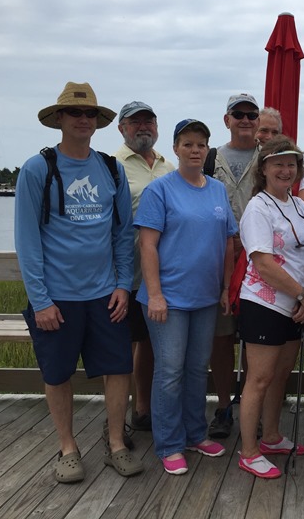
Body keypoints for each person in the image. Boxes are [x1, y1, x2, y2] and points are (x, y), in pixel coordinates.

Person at [16, 81, 143, 482]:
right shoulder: (38, 169)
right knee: (57, 374)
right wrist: (40, 301)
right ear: (59, 119)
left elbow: (123, 234)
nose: (84, 119)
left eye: (90, 114)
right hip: (57, 297)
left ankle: (116, 443)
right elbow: (27, 240)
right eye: (75, 113)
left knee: (118, 368)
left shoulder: (110, 169)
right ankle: (68, 447)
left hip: (106, 294)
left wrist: (124, 285)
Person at [135, 119, 237, 475]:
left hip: (206, 298)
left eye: (201, 144)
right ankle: (169, 443)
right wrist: (155, 295)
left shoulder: (217, 191)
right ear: (176, 148)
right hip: (168, 300)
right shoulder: (159, 190)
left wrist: (225, 288)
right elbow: (147, 245)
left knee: (196, 370)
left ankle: (195, 433)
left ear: (208, 150)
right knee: (169, 373)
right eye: (188, 144)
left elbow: (228, 242)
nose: (195, 150)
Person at [236, 136, 304, 479]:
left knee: (280, 376)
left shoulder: (299, 204)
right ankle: (249, 451)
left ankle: (271, 436)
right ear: (264, 169)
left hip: (296, 303)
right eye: (278, 164)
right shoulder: (258, 207)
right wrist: (303, 295)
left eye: (291, 164)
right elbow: (264, 263)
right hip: (264, 303)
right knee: (259, 379)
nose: (286, 170)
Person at [114, 101, 175, 432]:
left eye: (148, 121)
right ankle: (118, 419)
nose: (143, 127)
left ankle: (143, 408)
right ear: (121, 128)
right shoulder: (112, 166)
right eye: (135, 122)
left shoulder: (169, 166)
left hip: (164, 277)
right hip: (125, 275)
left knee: (150, 344)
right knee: (120, 348)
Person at [208, 93, 261, 440]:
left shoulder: (270, 156)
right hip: (220, 260)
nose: (245, 119)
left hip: (260, 260)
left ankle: (253, 407)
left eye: (250, 114)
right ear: (226, 120)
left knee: (257, 341)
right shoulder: (211, 157)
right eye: (237, 114)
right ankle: (225, 405)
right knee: (222, 339)